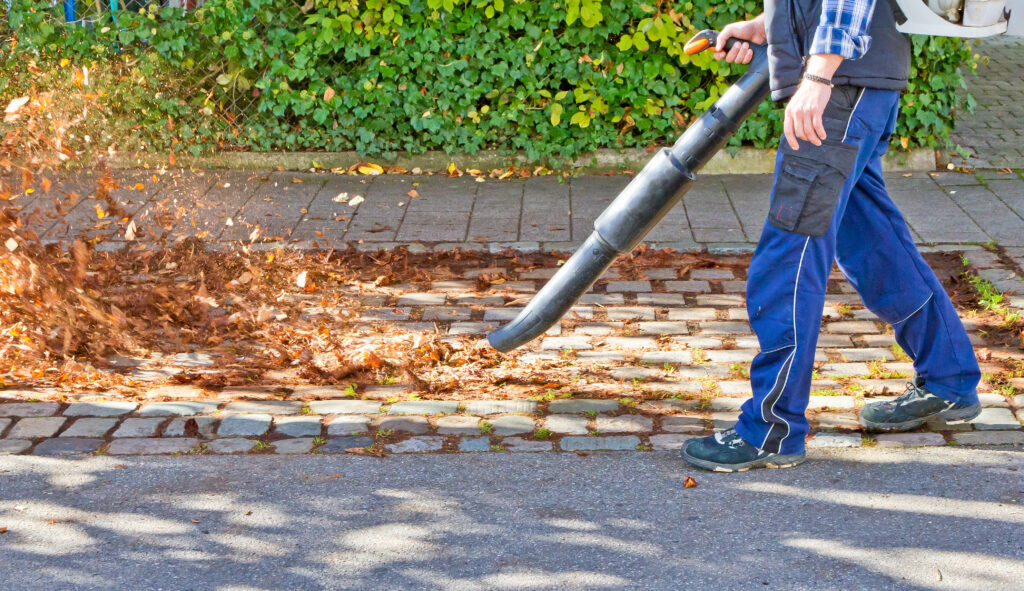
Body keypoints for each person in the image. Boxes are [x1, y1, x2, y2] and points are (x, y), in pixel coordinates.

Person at [681, 0, 982, 472]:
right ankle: (949, 380)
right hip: (862, 84)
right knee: (874, 246)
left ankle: (772, 429)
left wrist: (819, 76)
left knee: (789, 256)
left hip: (841, 88)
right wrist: (767, 27)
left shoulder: (829, 77)